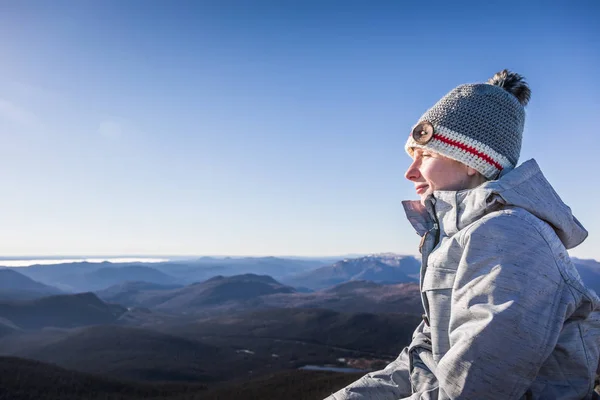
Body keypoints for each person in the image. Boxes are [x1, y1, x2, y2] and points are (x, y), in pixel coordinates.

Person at [326, 70, 600, 399]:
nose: (409, 171)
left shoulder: (512, 236)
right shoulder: (460, 235)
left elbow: (475, 388)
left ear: (472, 160)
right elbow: (427, 357)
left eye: (425, 155)